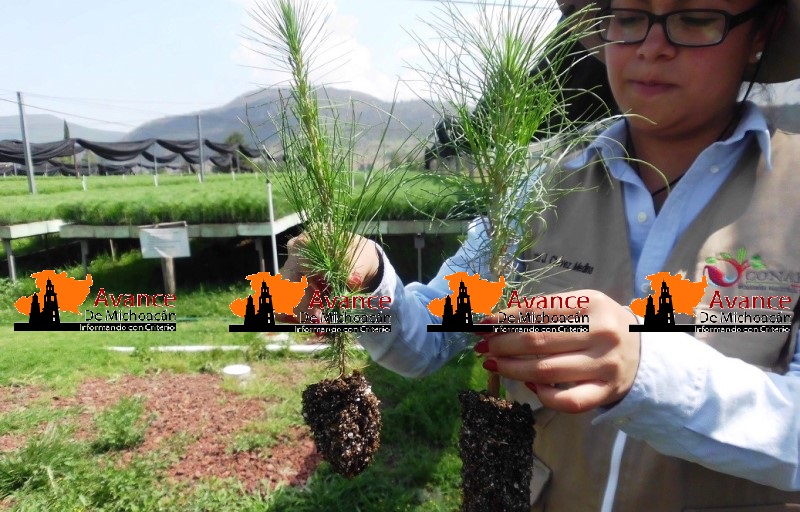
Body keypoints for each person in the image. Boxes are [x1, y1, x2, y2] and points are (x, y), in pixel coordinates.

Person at [281, 0, 800, 508]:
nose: (652, 47)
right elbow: (425, 339)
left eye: (695, 19)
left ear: (762, 31)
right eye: (630, 18)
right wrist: (370, 277)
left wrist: (645, 371)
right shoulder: (540, 183)